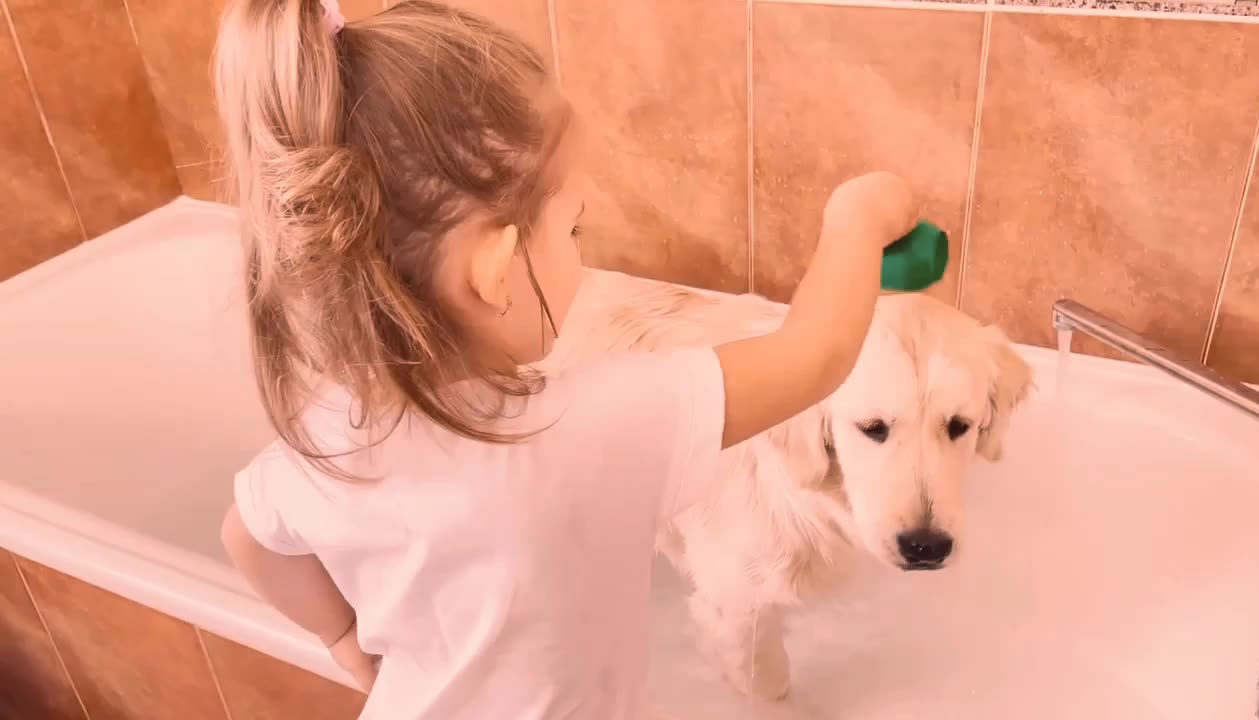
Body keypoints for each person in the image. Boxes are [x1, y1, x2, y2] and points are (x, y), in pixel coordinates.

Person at [214, 1, 919, 718]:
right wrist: (857, 219)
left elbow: (246, 538)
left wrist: (344, 639)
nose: (581, 249)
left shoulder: (323, 437)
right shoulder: (584, 429)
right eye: (573, 226)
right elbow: (815, 357)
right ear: (496, 270)